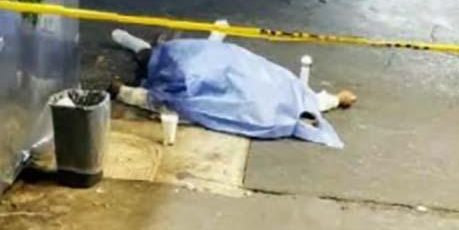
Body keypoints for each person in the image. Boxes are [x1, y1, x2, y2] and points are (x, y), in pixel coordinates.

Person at [108, 29, 357, 148]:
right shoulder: (297, 97)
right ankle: (141, 60)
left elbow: (209, 111)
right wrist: (338, 99)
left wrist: (338, 99)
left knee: (182, 92)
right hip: (227, 69)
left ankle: (136, 75)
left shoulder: (277, 117)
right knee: (187, 69)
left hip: (213, 79)